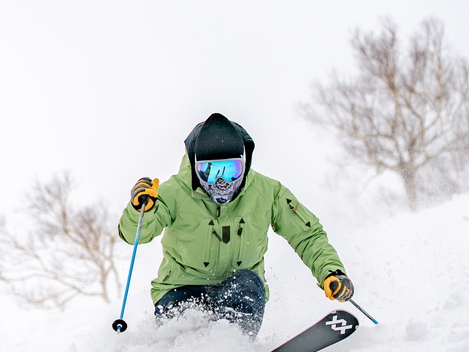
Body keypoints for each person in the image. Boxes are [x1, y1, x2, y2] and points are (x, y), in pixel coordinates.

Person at [118, 112, 354, 337]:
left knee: (248, 282)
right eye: (209, 172)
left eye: (231, 170)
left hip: (238, 289)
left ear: (245, 163)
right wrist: (141, 210)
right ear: (194, 165)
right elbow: (134, 235)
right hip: (181, 288)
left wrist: (330, 271)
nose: (221, 182)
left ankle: (231, 351)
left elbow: (307, 235)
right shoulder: (174, 193)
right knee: (184, 317)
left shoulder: (267, 192)